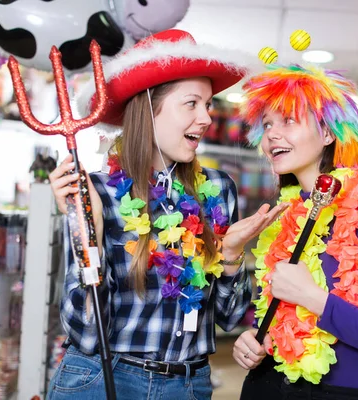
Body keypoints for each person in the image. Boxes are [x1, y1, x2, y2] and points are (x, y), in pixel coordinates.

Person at [46, 29, 286, 400]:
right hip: (100, 379)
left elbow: (231, 316)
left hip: (188, 385)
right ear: (148, 107)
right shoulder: (98, 191)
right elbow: (87, 332)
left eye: (208, 105)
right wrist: (87, 231)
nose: (207, 118)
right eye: (192, 103)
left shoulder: (218, 190)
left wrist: (233, 256)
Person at [233, 63, 358, 399]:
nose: (271, 134)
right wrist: (256, 340)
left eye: (288, 120)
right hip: (266, 386)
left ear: (328, 133)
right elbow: (285, 318)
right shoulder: (287, 214)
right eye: (267, 124)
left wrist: (314, 299)